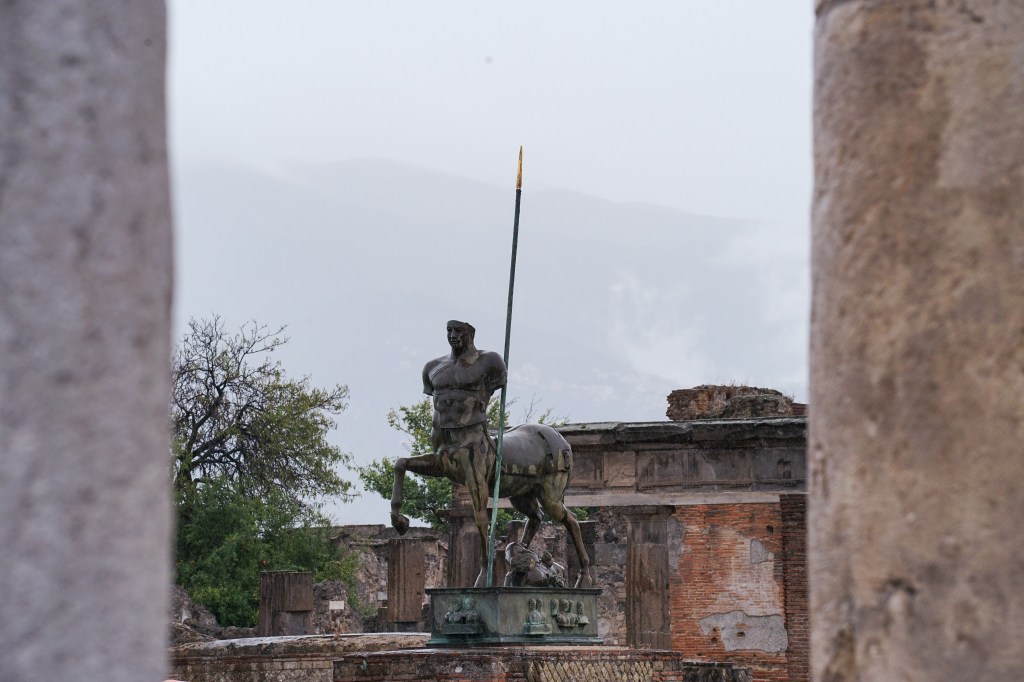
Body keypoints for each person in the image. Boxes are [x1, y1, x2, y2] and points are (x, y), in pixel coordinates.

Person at [421, 320, 507, 477]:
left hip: (472, 436)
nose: (453, 335)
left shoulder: (489, 360)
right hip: (440, 438)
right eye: (449, 330)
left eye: (459, 331)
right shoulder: (432, 367)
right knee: (402, 464)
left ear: (471, 334)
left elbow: (498, 382)